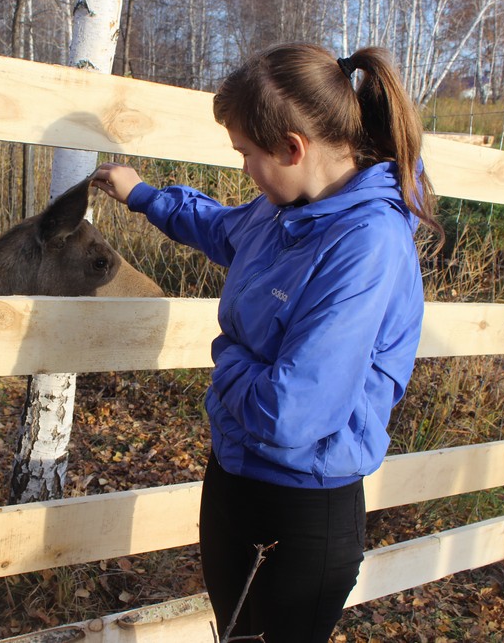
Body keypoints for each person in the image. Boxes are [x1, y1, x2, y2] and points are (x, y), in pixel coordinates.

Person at [91, 43, 442, 642]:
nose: (245, 169)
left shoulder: (367, 244)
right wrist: (144, 195)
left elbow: (292, 412)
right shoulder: (283, 212)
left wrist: (226, 358)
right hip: (233, 475)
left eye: (246, 154)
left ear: (292, 147)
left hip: (303, 506)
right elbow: (221, 227)